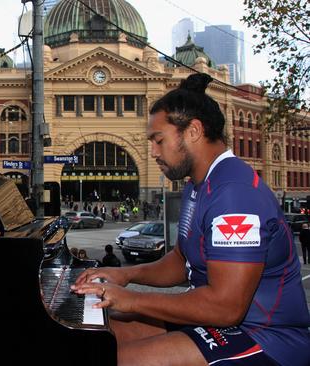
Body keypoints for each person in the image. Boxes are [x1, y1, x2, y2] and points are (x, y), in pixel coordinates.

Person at [71, 73, 310, 366]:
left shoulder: (233, 194)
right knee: (101, 335)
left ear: (193, 131)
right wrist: (126, 276)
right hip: (221, 323)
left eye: (159, 140)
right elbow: (181, 262)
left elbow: (225, 308)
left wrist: (130, 298)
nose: (153, 152)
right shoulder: (197, 185)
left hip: (264, 337)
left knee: (118, 359)